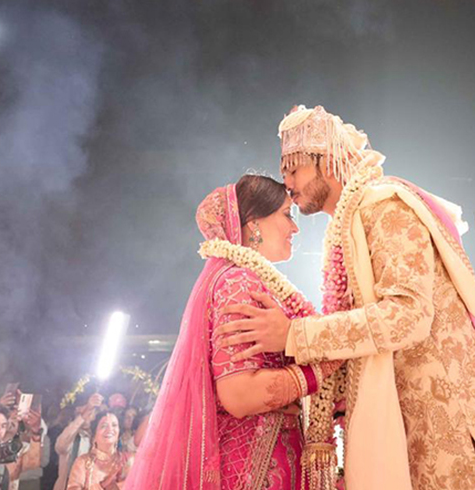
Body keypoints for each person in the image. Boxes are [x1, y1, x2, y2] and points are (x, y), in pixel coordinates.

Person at [215, 106, 475, 490]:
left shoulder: (385, 207)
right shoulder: (348, 224)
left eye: (294, 168)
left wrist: (296, 335)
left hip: (440, 417)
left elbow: (407, 315)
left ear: (327, 160)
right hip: (400, 415)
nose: (287, 182)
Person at [127, 175, 339, 490]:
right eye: (286, 214)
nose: (295, 228)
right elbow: (239, 394)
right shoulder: (239, 282)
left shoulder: (247, 279)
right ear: (254, 223)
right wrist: (324, 366)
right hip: (253, 471)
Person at [67, 411, 130, 490]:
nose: (110, 429)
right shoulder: (83, 462)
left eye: (114, 425)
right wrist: (103, 485)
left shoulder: (126, 461)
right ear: (94, 435)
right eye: (104, 426)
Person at [54, 394, 103, 490]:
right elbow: (60, 446)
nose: (89, 414)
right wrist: (82, 417)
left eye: (92, 411)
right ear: (78, 411)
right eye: (87, 409)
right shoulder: (71, 435)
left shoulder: (95, 439)